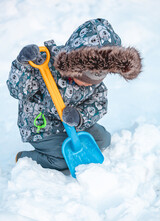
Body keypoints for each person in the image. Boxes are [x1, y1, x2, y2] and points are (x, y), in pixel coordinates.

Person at [7, 18, 142, 171]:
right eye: (83, 78)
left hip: (73, 126)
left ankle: (71, 136)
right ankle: (26, 158)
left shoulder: (95, 85)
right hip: (43, 128)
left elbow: (99, 104)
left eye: (94, 80)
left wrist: (80, 117)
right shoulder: (43, 67)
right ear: (73, 66)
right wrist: (22, 65)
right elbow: (18, 91)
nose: (87, 84)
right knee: (60, 161)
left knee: (104, 139)